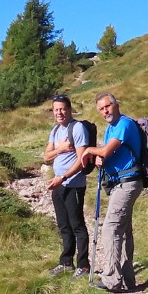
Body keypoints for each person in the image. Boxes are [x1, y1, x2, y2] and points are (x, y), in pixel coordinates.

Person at [79, 92, 144, 293]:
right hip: (120, 183)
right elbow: (107, 154)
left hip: (128, 182)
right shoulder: (110, 129)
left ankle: (112, 280)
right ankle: (127, 279)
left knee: (110, 229)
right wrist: (100, 160)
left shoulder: (124, 124)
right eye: (101, 108)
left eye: (108, 106)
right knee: (123, 231)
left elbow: (106, 150)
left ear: (116, 105)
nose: (105, 110)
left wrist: (91, 151)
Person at [43, 94, 91, 279]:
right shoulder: (55, 131)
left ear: (69, 109)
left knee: (77, 224)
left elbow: (82, 160)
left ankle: (83, 265)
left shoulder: (77, 128)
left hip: (73, 184)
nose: (59, 113)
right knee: (64, 225)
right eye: (56, 110)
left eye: (62, 109)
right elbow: (46, 157)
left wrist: (62, 177)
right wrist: (61, 149)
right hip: (58, 183)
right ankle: (66, 263)